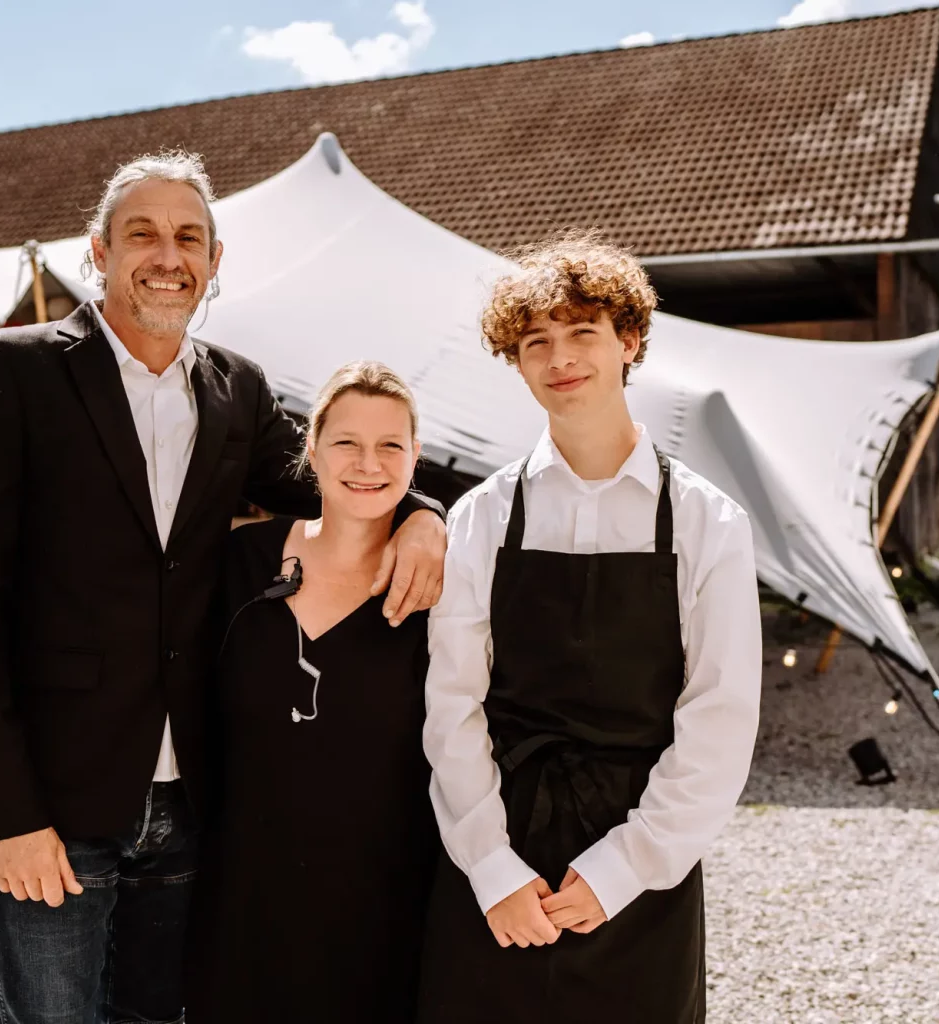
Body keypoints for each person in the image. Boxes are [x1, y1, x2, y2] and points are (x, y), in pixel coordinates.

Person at [0, 150, 446, 1024]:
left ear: (213, 261)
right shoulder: (10, 370)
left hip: (194, 804)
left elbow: (335, 477)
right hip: (59, 797)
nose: (168, 255)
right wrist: (3, 814)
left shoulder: (235, 388)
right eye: (143, 235)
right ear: (98, 251)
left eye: (188, 238)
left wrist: (425, 508)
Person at [416, 233, 762, 1022]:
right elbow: (451, 704)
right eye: (536, 341)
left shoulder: (708, 522)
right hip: (498, 840)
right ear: (517, 360)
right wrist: (491, 866)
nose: (560, 358)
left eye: (582, 333)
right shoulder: (483, 516)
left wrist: (624, 868)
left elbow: (721, 717)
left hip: (642, 856)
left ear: (629, 340)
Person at [185, 361, 442, 1022]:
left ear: (416, 458)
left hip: (381, 911)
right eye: (346, 442)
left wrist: (428, 521)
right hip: (240, 905)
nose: (368, 462)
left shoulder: (439, 590)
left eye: (391, 445)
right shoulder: (241, 563)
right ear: (311, 449)